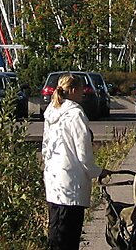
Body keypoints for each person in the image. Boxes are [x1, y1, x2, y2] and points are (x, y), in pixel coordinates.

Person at [42, 74, 108, 250]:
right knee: (69, 237)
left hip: (54, 180)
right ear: (72, 90)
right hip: (72, 183)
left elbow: (45, 146)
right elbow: (83, 152)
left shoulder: (51, 112)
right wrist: (97, 171)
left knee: (56, 232)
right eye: (81, 90)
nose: (83, 94)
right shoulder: (75, 114)